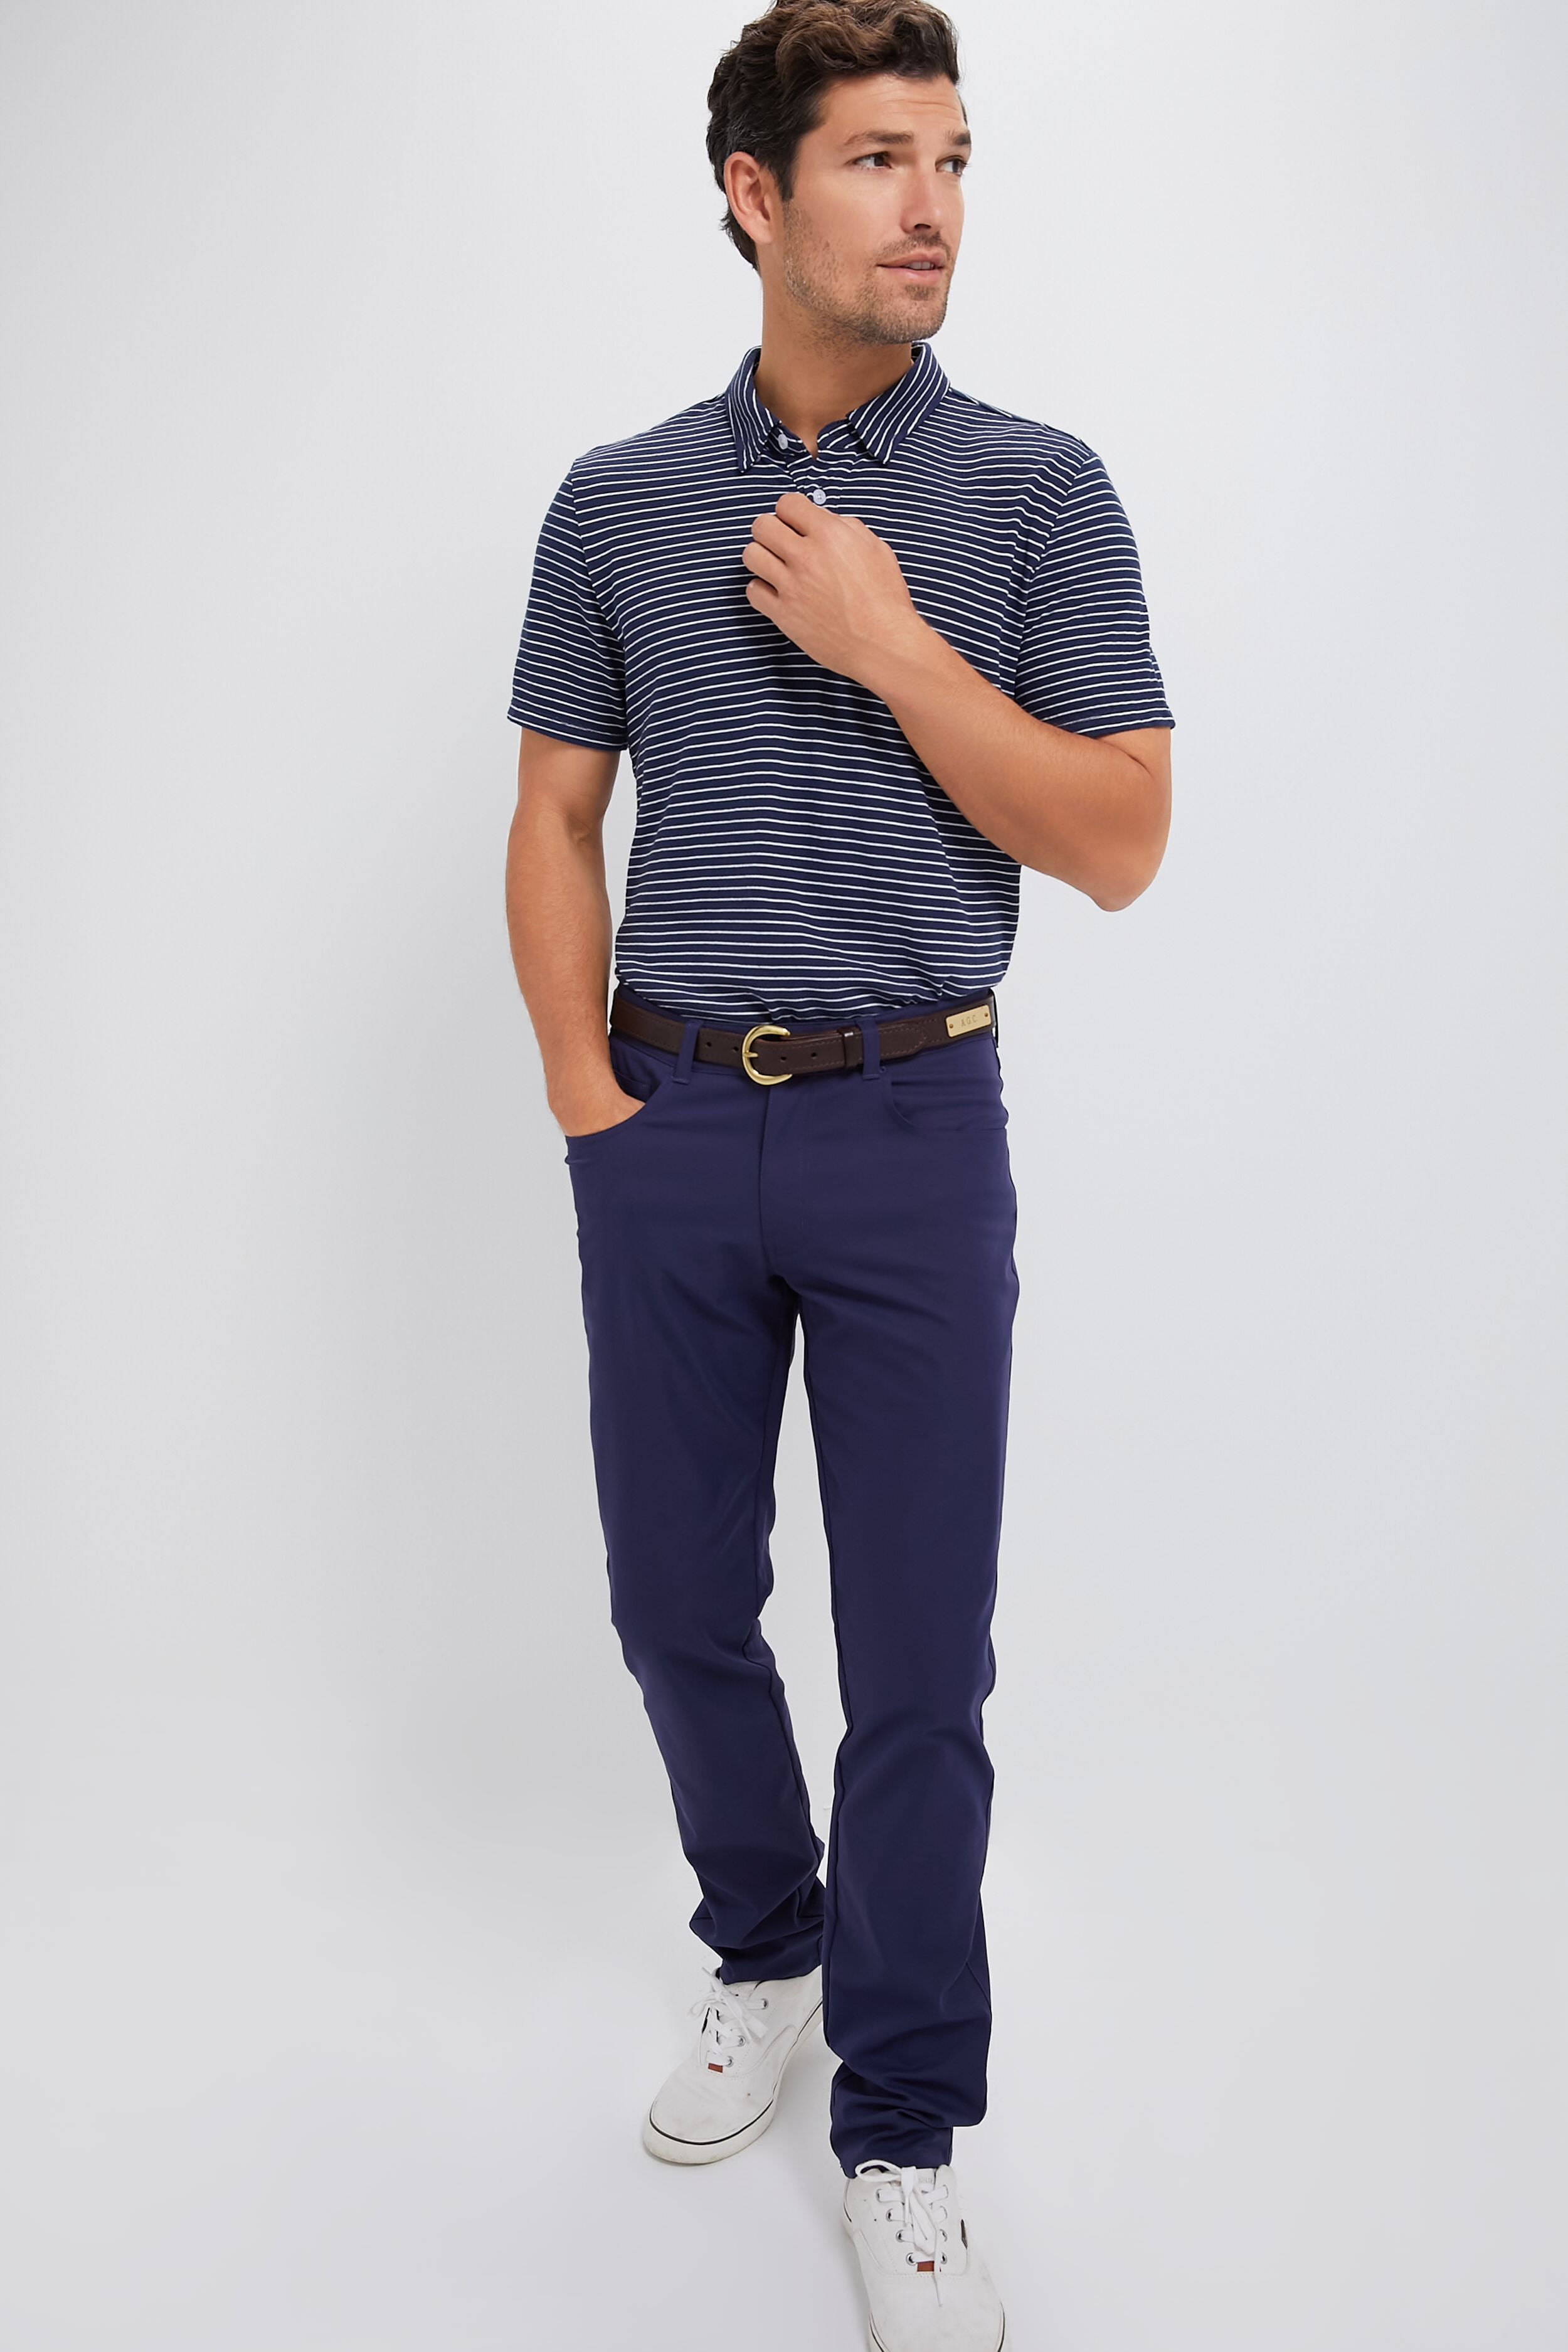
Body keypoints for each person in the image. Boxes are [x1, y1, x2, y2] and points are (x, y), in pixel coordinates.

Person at [503, 3, 1173, 2341]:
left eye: (953, 158)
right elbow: (555, 812)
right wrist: (587, 1104)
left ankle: (900, 2126)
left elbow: (1120, 839)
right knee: (673, 1605)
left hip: (911, 1125)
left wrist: (890, 646)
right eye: (880, 156)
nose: (932, 207)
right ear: (751, 190)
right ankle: (765, 1944)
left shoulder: (1036, 491)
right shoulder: (613, 500)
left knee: (913, 1663)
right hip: (670, 1121)